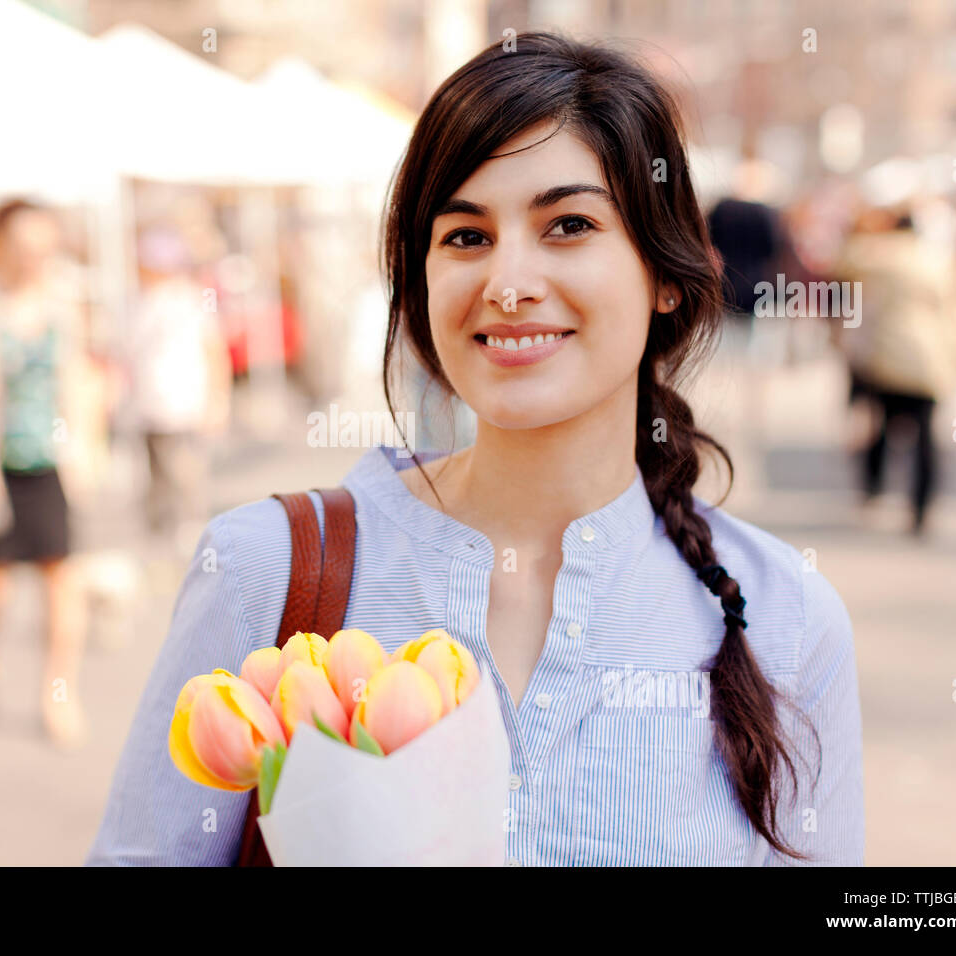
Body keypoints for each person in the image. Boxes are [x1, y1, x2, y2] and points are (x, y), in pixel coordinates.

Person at [86, 34, 863, 866]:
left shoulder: (783, 615)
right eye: (465, 236)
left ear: (664, 273)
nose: (507, 281)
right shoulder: (265, 572)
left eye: (568, 225)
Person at [0, 200, 91, 748]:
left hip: (50, 458)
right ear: (2, 243)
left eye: (44, 246)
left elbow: (77, 377)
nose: (36, 257)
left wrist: (83, 449)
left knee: (62, 578)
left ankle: (59, 693)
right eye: (25, 245)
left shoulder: (65, 299)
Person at [832, 203, 956, 537]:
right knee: (925, 435)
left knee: (881, 423)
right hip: (928, 359)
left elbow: (842, 263)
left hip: (886, 356)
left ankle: (873, 487)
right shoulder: (938, 261)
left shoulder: (878, 256)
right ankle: (921, 506)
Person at [121, 228, 231, 560]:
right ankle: (163, 545)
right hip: (151, 408)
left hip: (185, 405)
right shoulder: (138, 303)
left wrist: (217, 402)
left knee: (187, 478)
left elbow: (214, 352)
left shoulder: (191, 301)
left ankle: (193, 542)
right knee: (158, 482)